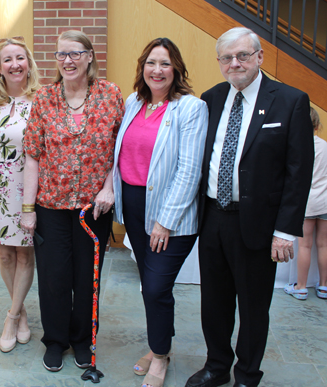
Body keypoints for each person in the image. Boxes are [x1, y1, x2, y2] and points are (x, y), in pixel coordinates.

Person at [186, 27, 314, 387]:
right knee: (214, 302)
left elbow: (297, 173)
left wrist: (285, 231)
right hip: (212, 217)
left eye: (243, 55)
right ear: (219, 63)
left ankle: (246, 374)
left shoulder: (290, 100)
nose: (235, 63)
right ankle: (216, 366)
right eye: (227, 57)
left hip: (258, 224)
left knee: (254, 307)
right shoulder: (210, 99)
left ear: (259, 56)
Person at [21, 30, 124, 372]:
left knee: (86, 278)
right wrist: (28, 210)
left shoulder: (110, 95)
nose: (68, 60)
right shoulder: (45, 99)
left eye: (75, 53)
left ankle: (82, 340)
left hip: (94, 208)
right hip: (51, 207)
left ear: (90, 57)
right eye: (61, 54)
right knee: (53, 278)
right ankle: (55, 340)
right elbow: (33, 156)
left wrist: (109, 188)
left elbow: (118, 151)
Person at [112, 37, 208, 387]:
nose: (157, 70)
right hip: (134, 208)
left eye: (165, 63)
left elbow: (188, 168)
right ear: (142, 68)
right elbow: (119, 154)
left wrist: (165, 221)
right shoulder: (133, 102)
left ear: (176, 69)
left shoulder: (190, 108)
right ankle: (157, 346)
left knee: (155, 287)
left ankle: (160, 355)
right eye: (151, 63)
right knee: (150, 285)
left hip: (171, 215)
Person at [0, 36, 40, 353]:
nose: (14, 65)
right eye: (7, 60)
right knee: (3, 253)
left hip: (26, 190)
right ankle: (22, 312)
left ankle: (11, 317)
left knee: (23, 253)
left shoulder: (41, 100)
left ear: (28, 63)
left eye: (20, 58)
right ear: (0, 68)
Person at [284, 108, 327, 300]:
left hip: (307, 202)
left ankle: (301, 287)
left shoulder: (296, 146)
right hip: (325, 200)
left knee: (305, 246)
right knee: (324, 245)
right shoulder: (325, 146)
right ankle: (324, 286)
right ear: (317, 125)